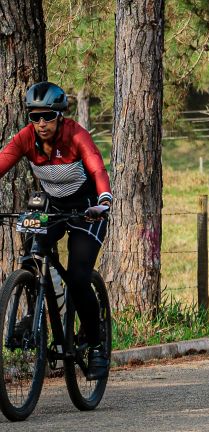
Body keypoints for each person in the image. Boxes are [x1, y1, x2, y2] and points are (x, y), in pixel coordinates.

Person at [0, 82, 113, 380]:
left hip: (88, 210)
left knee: (77, 277)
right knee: (32, 255)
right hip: (54, 208)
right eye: (34, 117)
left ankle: (96, 342)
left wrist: (104, 200)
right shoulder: (27, 139)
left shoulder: (76, 135)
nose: (40, 124)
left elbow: (97, 168)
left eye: (47, 116)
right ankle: (32, 315)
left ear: (60, 115)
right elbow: (2, 161)